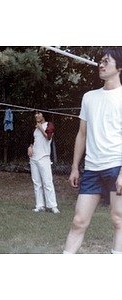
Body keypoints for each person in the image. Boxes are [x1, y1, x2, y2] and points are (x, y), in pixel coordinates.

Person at [64, 48, 122, 254]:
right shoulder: (89, 97)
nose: (101, 65)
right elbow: (82, 134)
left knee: (118, 220)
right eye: (100, 61)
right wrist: (74, 168)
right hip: (92, 168)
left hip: (117, 166)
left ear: (120, 67)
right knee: (78, 221)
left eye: (106, 62)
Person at [27, 110, 60, 213]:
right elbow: (33, 142)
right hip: (34, 158)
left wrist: (41, 128)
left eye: (39, 113)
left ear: (44, 115)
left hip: (44, 158)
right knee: (37, 183)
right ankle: (40, 205)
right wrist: (30, 148)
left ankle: (53, 206)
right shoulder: (34, 130)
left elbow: (48, 137)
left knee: (47, 182)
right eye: (35, 113)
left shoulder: (48, 125)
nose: (36, 115)